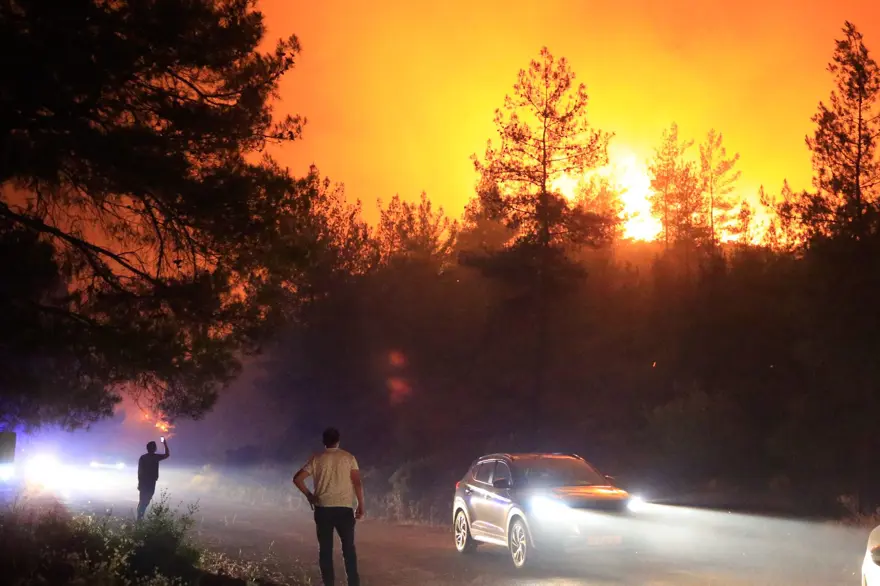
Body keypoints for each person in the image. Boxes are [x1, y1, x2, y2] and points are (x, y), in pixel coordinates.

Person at [293, 427, 364, 586]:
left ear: (324, 441)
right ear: (338, 440)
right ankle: (353, 583)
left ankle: (329, 584)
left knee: (325, 550)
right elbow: (357, 483)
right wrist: (360, 505)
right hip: (345, 509)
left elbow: (298, 479)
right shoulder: (349, 458)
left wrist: (310, 496)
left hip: (323, 509)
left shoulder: (317, 459)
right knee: (349, 550)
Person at [137, 437, 170, 520]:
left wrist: (139, 483)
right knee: (146, 499)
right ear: (154, 448)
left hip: (145, 481)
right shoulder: (155, 457)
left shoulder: (143, 457)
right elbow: (167, 455)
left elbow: (140, 471)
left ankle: (140, 516)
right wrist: (165, 444)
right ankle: (139, 517)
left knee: (143, 500)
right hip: (150, 482)